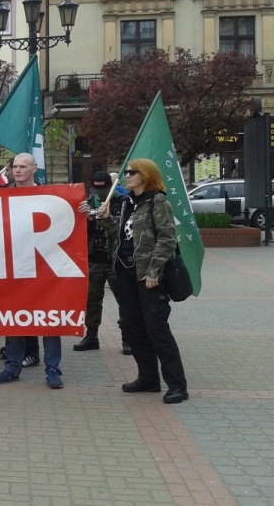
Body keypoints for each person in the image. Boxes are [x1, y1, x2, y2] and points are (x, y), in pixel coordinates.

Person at [97, 159, 189, 404]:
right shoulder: (127, 202)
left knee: (157, 329)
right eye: (127, 172)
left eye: (132, 172)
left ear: (146, 176)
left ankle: (177, 385)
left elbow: (167, 239)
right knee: (133, 327)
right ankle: (148, 378)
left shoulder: (158, 202)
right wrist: (106, 219)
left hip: (148, 276)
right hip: (125, 273)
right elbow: (121, 234)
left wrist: (154, 271)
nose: (127, 175)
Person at [0, 136, 63, 389]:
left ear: (33, 170)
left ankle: (53, 370)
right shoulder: (0, 195)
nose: (16, 170)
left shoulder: (49, 195)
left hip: (45, 268)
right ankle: (13, 367)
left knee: (50, 320)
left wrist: (80, 207)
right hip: (13, 267)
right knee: (13, 318)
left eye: (22, 166)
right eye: (14, 166)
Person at [74, 172, 124, 352]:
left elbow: (121, 232)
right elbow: (78, 233)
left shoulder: (123, 202)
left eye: (104, 189)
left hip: (117, 260)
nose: (100, 193)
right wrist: (85, 219)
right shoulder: (88, 203)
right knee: (92, 299)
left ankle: (127, 337)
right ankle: (92, 336)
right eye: (97, 189)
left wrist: (106, 218)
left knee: (124, 299)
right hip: (94, 259)